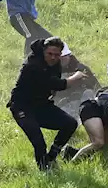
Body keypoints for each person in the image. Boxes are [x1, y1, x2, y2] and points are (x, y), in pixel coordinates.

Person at [8, 37, 88, 170]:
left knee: (70, 124)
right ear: (44, 51)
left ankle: (51, 157)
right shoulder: (33, 65)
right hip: (22, 107)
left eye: (56, 55)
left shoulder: (55, 64)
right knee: (39, 142)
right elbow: (58, 84)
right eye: (49, 54)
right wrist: (76, 76)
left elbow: (53, 83)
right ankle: (45, 170)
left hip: (41, 106)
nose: (52, 57)